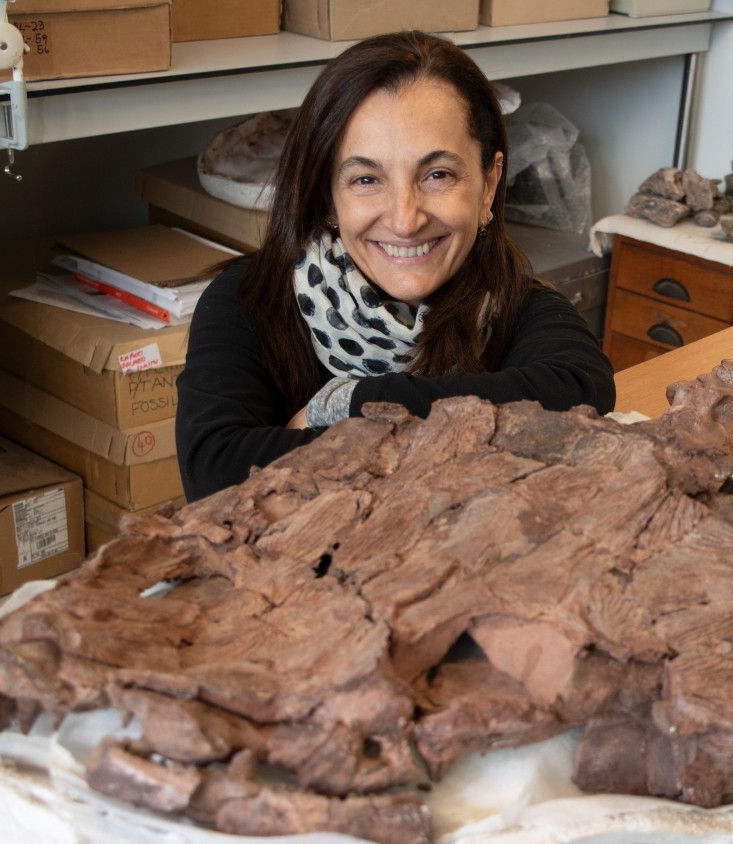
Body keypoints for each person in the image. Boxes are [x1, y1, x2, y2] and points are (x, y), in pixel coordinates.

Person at [176, 31, 616, 501]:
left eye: (438, 174)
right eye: (366, 179)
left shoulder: (518, 303)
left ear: (488, 185)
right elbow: (216, 471)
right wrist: (453, 435)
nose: (406, 219)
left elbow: (580, 392)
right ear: (327, 197)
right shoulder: (247, 300)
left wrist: (343, 404)